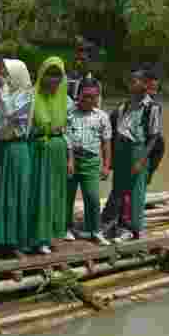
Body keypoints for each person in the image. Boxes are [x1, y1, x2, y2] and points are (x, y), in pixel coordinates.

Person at [106, 65, 164, 242]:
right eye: (130, 81)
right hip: (122, 150)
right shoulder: (123, 106)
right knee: (119, 187)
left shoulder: (152, 108)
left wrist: (142, 160)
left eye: (135, 80)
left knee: (135, 191)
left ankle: (132, 229)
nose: (131, 84)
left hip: (138, 150)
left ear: (145, 84)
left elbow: (154, 137)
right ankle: (116, 223)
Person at [0, 58, 34, 257]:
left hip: (16, 149)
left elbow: (8, 112)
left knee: (14, 194)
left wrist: (3, 92)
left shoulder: (26, 96)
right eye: (2, 73)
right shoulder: (2, 95)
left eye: (7, 74)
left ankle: (15, 241)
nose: (3, 77)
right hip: (1, 149)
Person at [28, 56, 72, 255]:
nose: (53, 80)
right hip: (38, 149)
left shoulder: (66, 100)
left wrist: (70, 158)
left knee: (55, 194)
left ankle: (52, 234)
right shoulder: (31, 97)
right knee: (39, 194)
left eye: (57, 75)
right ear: (42, 75)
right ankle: (37, 237)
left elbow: (69, 131)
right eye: (49, 74)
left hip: (58, 150)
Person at [64, 76, 112, 245]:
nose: (89, 100)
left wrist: (106, 166)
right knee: (67, 197)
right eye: (85, 96)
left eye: (93, 97)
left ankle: (95, 230)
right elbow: (66, 138)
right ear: (78, 95)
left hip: (91, 162)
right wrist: (69, 161)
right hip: (71, 160)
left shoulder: (102, 117)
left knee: (92, 197)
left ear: (97, 97)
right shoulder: (69, 114)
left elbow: (106, 143)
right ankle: (67, 228)